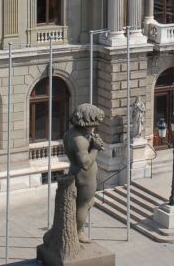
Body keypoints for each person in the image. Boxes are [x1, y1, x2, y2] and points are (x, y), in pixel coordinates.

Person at [62, 103, 105, 243]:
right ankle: (78, 232)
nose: (95, 127)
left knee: (87, 203)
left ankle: (76, 228)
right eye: (94, 124)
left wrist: (92, 142)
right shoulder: (80, 140)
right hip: (85, 176)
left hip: (76, 172)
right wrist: (96, 149)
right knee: (83, 204)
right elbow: (85, 164)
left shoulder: (72, 133)